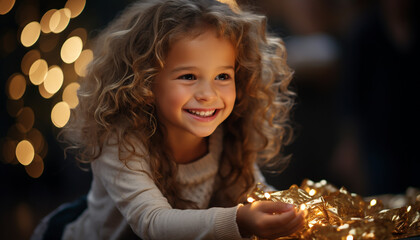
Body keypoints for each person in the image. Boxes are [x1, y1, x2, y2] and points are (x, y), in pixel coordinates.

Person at [34, 0, 303, 239]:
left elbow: (254, 193)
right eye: (188, 76)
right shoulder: (121, 140)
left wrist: (289, 211)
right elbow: (152, 223)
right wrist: (240, 220)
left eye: (222, 76)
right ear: (145, 83)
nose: (208, 95)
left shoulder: (226, 134)